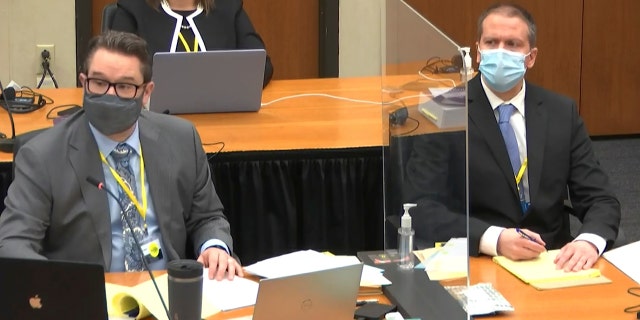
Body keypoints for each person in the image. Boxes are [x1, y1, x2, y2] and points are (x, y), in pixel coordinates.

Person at [0, 30, 243, 280]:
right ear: (83, 82)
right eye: (99, 82)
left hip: (168, 291)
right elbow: (13, 243)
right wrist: (63, 290)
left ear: (146, 92)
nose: (110, 94)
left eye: (125, 86)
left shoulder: (181, 139)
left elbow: (207, 217)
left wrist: (215, 246)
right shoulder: (43, 156)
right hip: (91, 296)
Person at [404, 3, 620, 272]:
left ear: (530, 57)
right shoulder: (445, 109)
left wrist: (589, 241)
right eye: (491, 42)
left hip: (553, 262)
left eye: (512, 44)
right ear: (478, 52)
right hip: (478, 260)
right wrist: (493, 239)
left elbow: (600, 198)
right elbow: (421, 207)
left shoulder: (561, 112)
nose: (500, 52)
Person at [111, 0, 274, 87]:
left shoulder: (228, 5)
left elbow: (261, 65)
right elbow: (115, 66)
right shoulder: (132, 7)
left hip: (223, 118)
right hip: (155, 121)